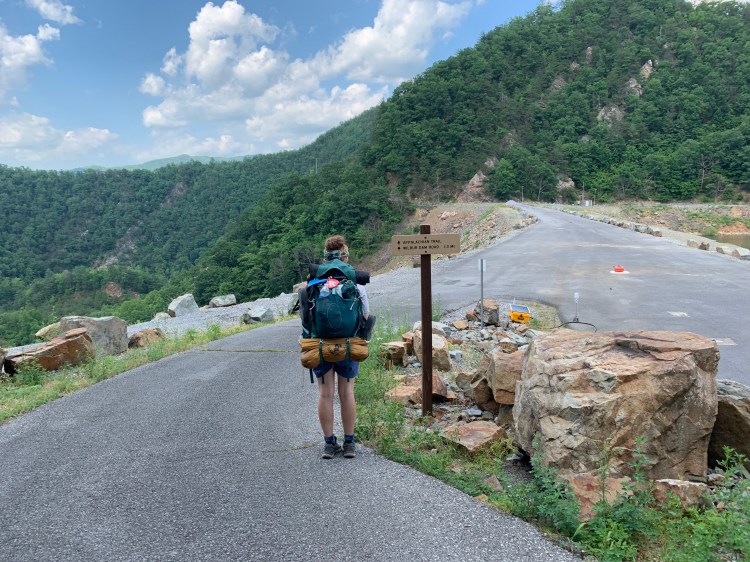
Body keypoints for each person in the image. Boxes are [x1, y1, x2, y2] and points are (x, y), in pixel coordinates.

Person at [312, 235, 374, 459]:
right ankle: (349, 443)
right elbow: (366, 315)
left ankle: (329, 444)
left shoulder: (314, 282)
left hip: (320, 346)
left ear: (325, 258)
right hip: (348, 345)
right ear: (345, 257)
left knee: (325, 394)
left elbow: (307, 319)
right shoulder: (355, 282)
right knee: (346, 393)